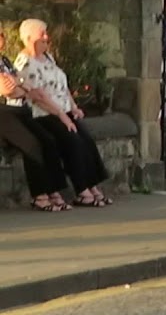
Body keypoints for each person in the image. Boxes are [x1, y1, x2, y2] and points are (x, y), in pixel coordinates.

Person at [13, 19, 112, 208]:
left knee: (86, 140)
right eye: (41, 34)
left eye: (46, 33)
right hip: (43, 113)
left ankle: (93, 187)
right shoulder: (25, 62)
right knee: (71, 139)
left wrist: (73, 107)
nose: (46, 37)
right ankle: (82, 189)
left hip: (63, 109)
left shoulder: (48, 57)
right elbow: (37, 96)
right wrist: (62, 115)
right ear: (28, 38)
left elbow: (62, 85)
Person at [0, 32, 70, 212]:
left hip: (18, 110)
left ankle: (54, 190)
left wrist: (18, 86)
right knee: (31, 144)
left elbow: (23, 87)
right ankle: (39, 196)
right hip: (3, 114)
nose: (1, 41)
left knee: (48, 140)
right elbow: (8, 90)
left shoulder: (5, 62)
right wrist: (18, 87)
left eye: (1, 37)